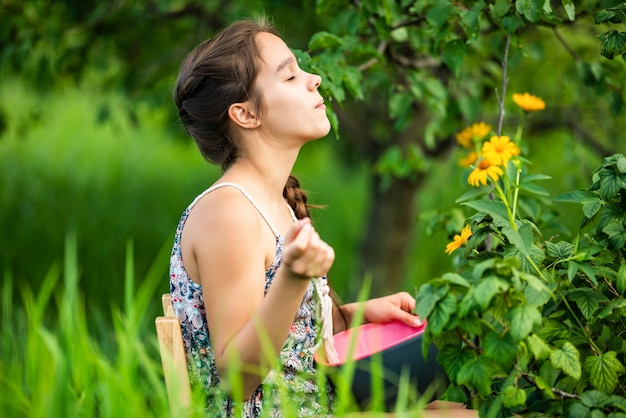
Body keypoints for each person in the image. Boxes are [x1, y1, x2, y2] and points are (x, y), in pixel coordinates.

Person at [170, 17, 477, 417]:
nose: (314, 78)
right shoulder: (228, 213)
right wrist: (294, 278)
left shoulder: (272, 203)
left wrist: (354, 315)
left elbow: (289, 338)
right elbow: (237, 379)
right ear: (245, 114)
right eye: (290, 76)